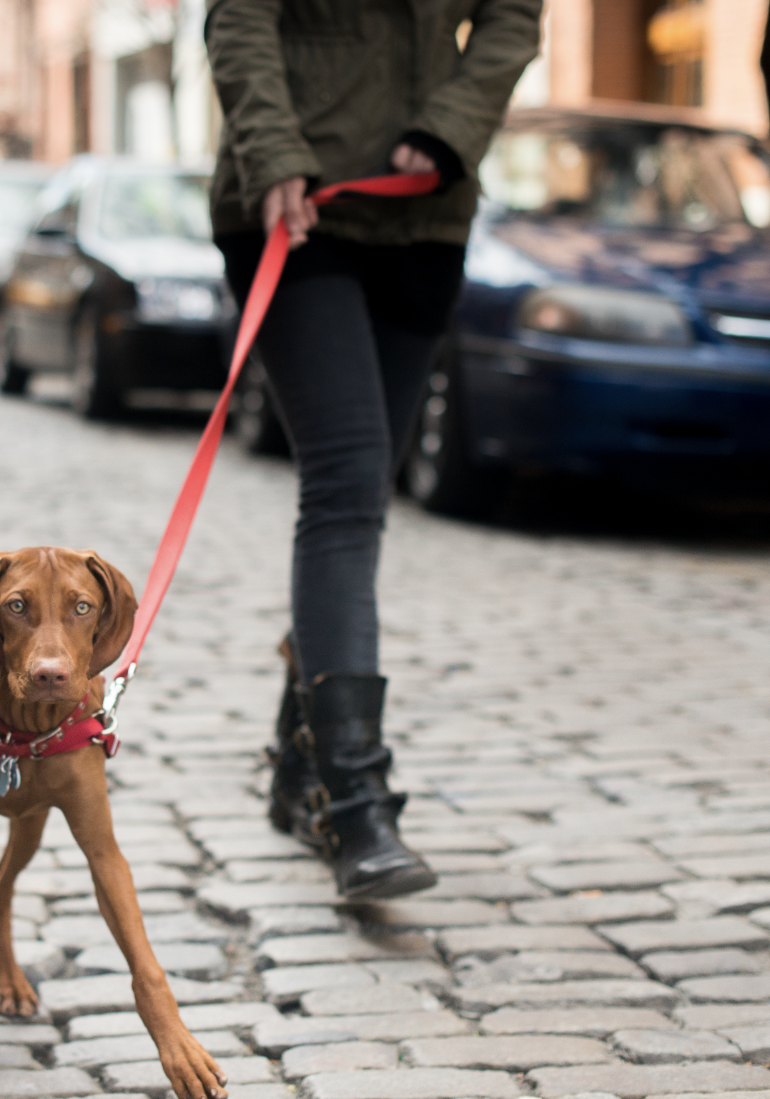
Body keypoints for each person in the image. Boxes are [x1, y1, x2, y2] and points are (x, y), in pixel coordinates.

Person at [207, 0, 540, 897]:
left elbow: (515, 17)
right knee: (349, 480)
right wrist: (271, 154)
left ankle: (296, 768)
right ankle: (356, 805)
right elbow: (239, 19)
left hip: (424, 215)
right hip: (299, 203)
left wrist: (450, 130)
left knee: (367, 487)